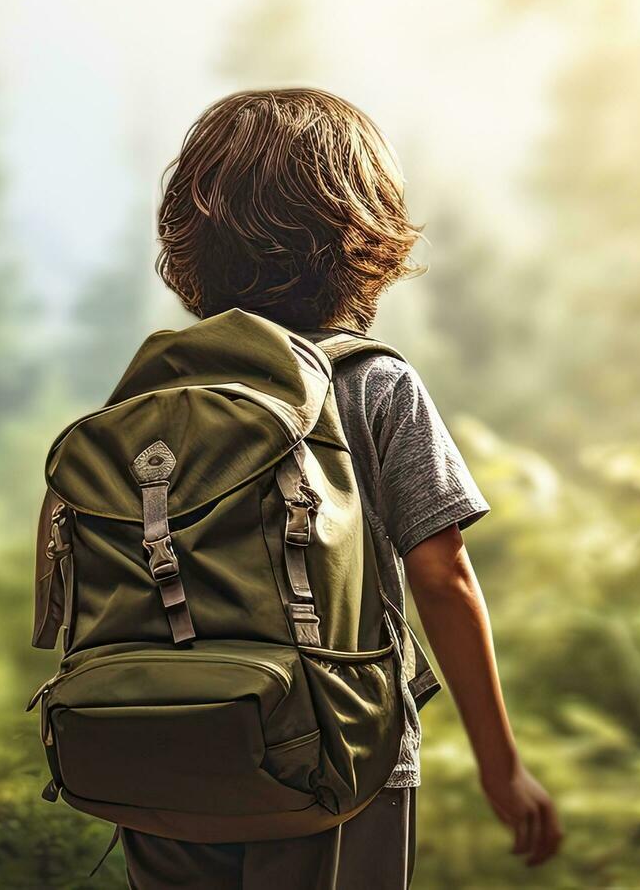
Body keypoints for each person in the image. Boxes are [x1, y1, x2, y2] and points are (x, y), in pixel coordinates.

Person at [118, 87, 561, 888]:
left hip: (160, 752)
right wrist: (503, 769)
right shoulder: (371, 383)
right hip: (337, 760)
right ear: (359, 230)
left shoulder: (153, 399)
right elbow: (443, 576)